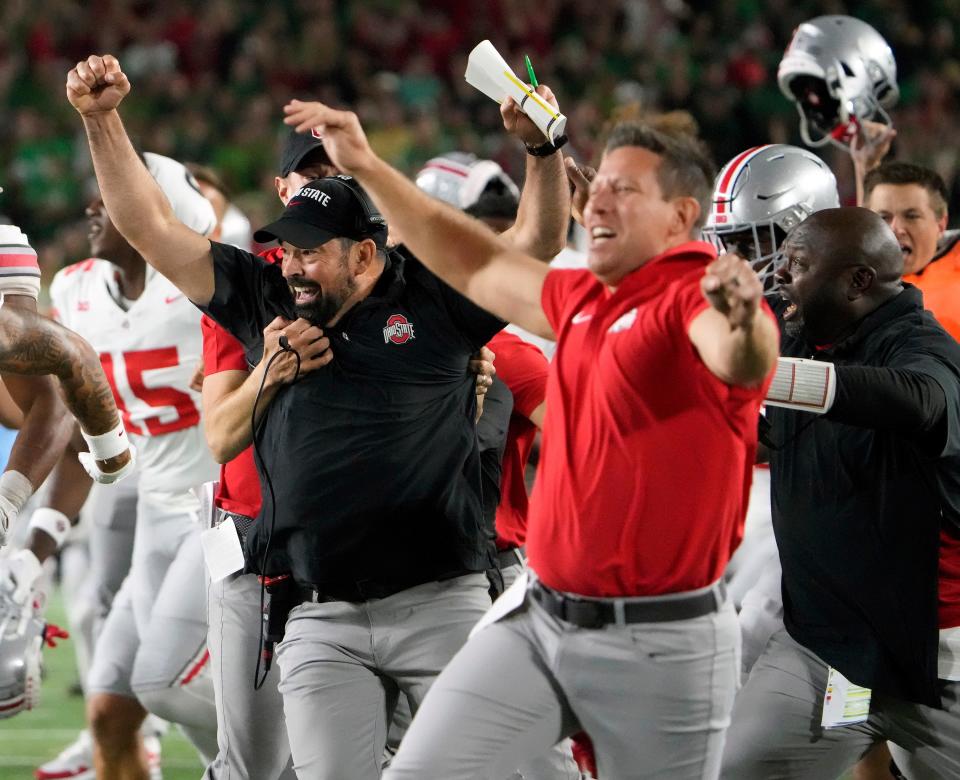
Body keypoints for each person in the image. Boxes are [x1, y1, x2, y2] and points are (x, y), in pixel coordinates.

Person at [279, 88, 779, 778]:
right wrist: (364, 163)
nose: (596, 201)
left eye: (623, 190)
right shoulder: (582, 299)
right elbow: (473, 261)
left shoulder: (695, 294)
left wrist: (748, 322)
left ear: (681, 217)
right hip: (540, 617)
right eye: (597, 183)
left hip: (662, 641)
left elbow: (739, 357)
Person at [67, 54, 524, 780]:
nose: (323, 185)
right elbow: (218, 427)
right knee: (242, 751)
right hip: (269, 559)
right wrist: (100, 119)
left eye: (338, 171)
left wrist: (471, 385)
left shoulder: (416, 290)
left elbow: (521, 280)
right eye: (308, 177)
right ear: (282, 193)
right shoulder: (260, 288)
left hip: (423, 578)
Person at [719, 207, 960, 780]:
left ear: (857, 282)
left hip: (938, 667)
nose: (779, 276)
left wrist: (772, 380)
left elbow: (922, 401)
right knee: (738, 771)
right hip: (834, 665)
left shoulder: (926, 349)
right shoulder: (808, 334)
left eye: (797, 264)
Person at [42, 150, 220, 780]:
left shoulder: (205, 287)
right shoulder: (75, 288)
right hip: (153, 505)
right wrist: (36, 541)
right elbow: (65, 421)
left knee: (175, 688)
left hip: (224, 515)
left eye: (114, 195)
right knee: (111, 715)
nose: (94, 204)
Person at [864, 162, 960, 339]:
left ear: (941, 225)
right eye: (884, 217)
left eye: (911, 216)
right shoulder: (849, 283)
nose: (896, 228)